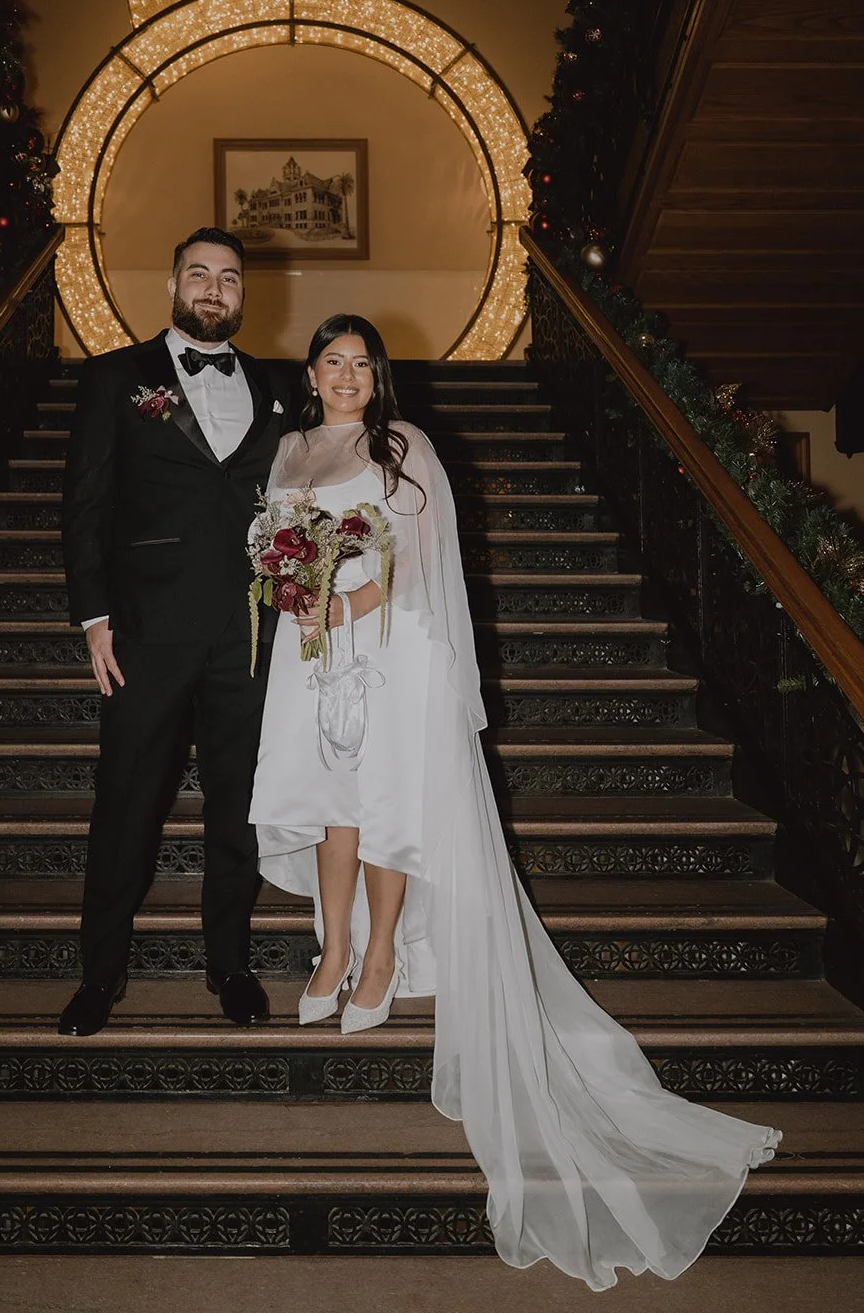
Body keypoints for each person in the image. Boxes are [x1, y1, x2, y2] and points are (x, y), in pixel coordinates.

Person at [249, 313, 781, 1291]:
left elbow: (415, 559)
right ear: (310, 373)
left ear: (376, 376)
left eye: (361, 363)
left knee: (385, 805)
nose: (346, 376)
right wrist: (295, 598)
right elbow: (275, 551)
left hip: (390, 643)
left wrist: (338, 603)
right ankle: (326, 946)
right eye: (332, 362)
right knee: (328, 799)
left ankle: (375, 959)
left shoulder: (401, 446)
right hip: (311, 653)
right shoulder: (289, 447)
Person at [58, 226, 289, 1037]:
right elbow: (84, 504)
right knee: (126, 803)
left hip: (251, 634)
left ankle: (228, 965)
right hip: (146, 630)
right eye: (199, 274)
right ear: (172, 285)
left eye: (228, 278)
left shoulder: (275, 386)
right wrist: (94, 617)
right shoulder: (117, 376)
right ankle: (100, 975)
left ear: (242, 293)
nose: (214, 289)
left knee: (238, 807)